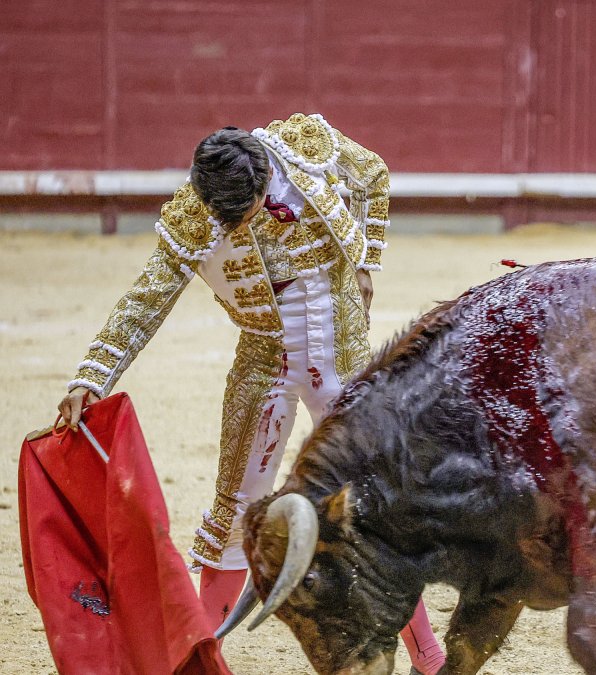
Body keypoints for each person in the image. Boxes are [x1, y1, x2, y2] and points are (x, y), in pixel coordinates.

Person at [57, 113, 445, 673]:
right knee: (237, 509)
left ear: (265, 174)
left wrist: (366, 262)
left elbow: (374, 177)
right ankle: (195, 660)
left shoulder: (304, 145)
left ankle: (427, 654)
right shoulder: (197, 213)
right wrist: (91, 376)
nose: (245, 219)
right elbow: (145, 301)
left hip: (341, 342)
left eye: (253, 202)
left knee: (374, 502)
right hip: (266, 358)